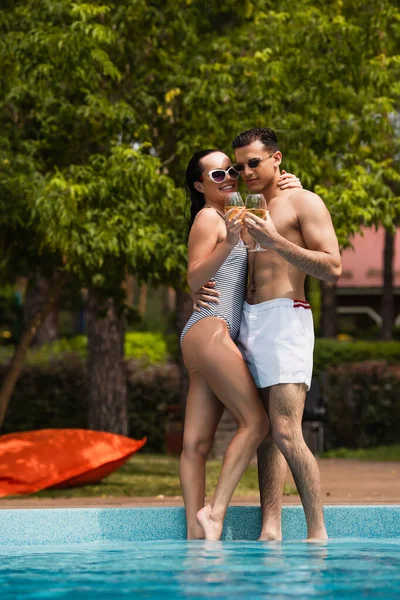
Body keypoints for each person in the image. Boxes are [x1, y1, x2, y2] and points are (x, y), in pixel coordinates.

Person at [196, 128, 342, 540]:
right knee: (263, 431)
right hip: (248, 320)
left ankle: (318, 533)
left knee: (285, 430)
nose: (245, 172)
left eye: (254, 163)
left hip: (285, 319)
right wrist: (202, 292)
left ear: (277, 159)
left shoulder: (304, 201)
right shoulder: (243, 205)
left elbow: (332, 268)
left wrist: (275, 241)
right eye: (239, 167)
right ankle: (270, 529)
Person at [180, 148, 302, 541]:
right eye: (218, 175)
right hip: (210, 330)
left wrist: (292, 185)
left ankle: (194, 540)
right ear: (200, 186)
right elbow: (194, 279)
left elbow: (273, 212)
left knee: (196, 444)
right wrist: (227, 243)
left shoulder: (235, 215)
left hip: (210, 337)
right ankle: (213, 514)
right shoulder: (207, 218)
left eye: (231, 170)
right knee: (258, 421)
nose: (230, 177)